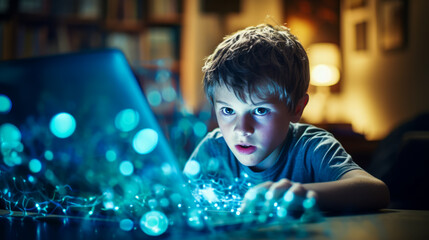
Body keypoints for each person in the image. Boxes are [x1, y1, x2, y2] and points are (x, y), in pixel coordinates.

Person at [185, 24, 389, 213]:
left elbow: (377, 192)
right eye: (228, 111)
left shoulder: (311, 146)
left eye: (260, 111)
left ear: (297, 108)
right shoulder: (213, 149)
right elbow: (179, 199)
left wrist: (301, 194)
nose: (242, 129)